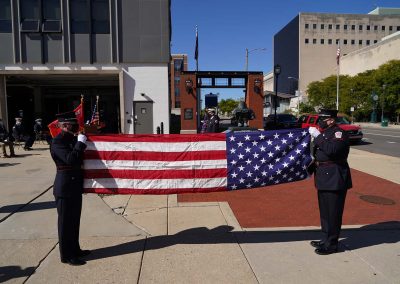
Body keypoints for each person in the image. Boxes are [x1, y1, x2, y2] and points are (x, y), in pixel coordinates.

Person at [308, 109, 352, 255]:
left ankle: (332, 245)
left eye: (323, 118)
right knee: (325, 212)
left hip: (335, 178)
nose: (320, 120)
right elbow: (319, 153)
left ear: (331, 120)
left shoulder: (339, 134)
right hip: (323, 176)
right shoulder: (326, 133)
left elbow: (332, 150)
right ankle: (325, 239)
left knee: (333, 213)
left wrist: (318, 136)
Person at [50, 111, 90, 266]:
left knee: (74, 221)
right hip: (64, 187)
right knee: (65, 223)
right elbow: (71, 160)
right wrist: (80, 143)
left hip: (74, 187)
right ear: (65, 125)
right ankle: (66, 255)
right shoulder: (58, 141)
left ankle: (75, 249)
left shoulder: (71, 139)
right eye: (73, 124)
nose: (75, 127)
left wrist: (80, 142)